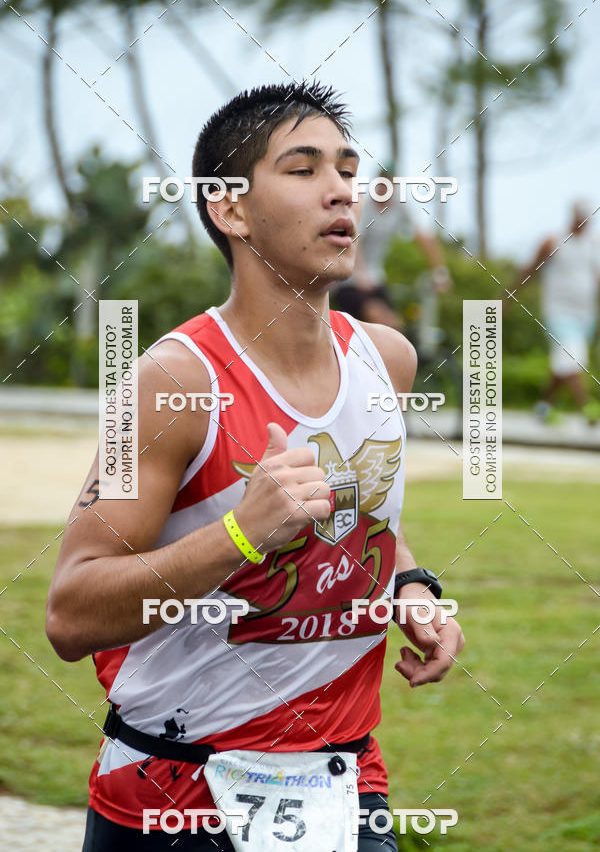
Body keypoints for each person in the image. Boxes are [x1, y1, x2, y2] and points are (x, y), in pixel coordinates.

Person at [46, 81, 464, 852]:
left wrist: (408, 584)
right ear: (230, 209)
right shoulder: (174, 381)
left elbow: (362, 523)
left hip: (344, 778)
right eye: (303, 170)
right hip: (176, 795)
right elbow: (72, 614)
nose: (341, 189)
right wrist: (242, 533)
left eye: (347, 166)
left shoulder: (387, 360)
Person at [332, 167, 452, 330]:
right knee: (375, 317)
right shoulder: (364, 205)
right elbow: (355, 241)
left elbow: (423, 237)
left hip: (375, 278)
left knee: (394, 325)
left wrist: (440, 271)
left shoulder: (399, 206)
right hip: (349, 280)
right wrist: (361, 275)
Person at [512, 202, 600, 425]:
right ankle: (587, 407)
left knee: (564, 363)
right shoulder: (553, 242)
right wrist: (507, 297)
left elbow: (594, 278)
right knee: (574, 358)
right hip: (559, 313)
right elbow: (530, 269)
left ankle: (543, 406)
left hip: (585, 316)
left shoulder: (591, 246)